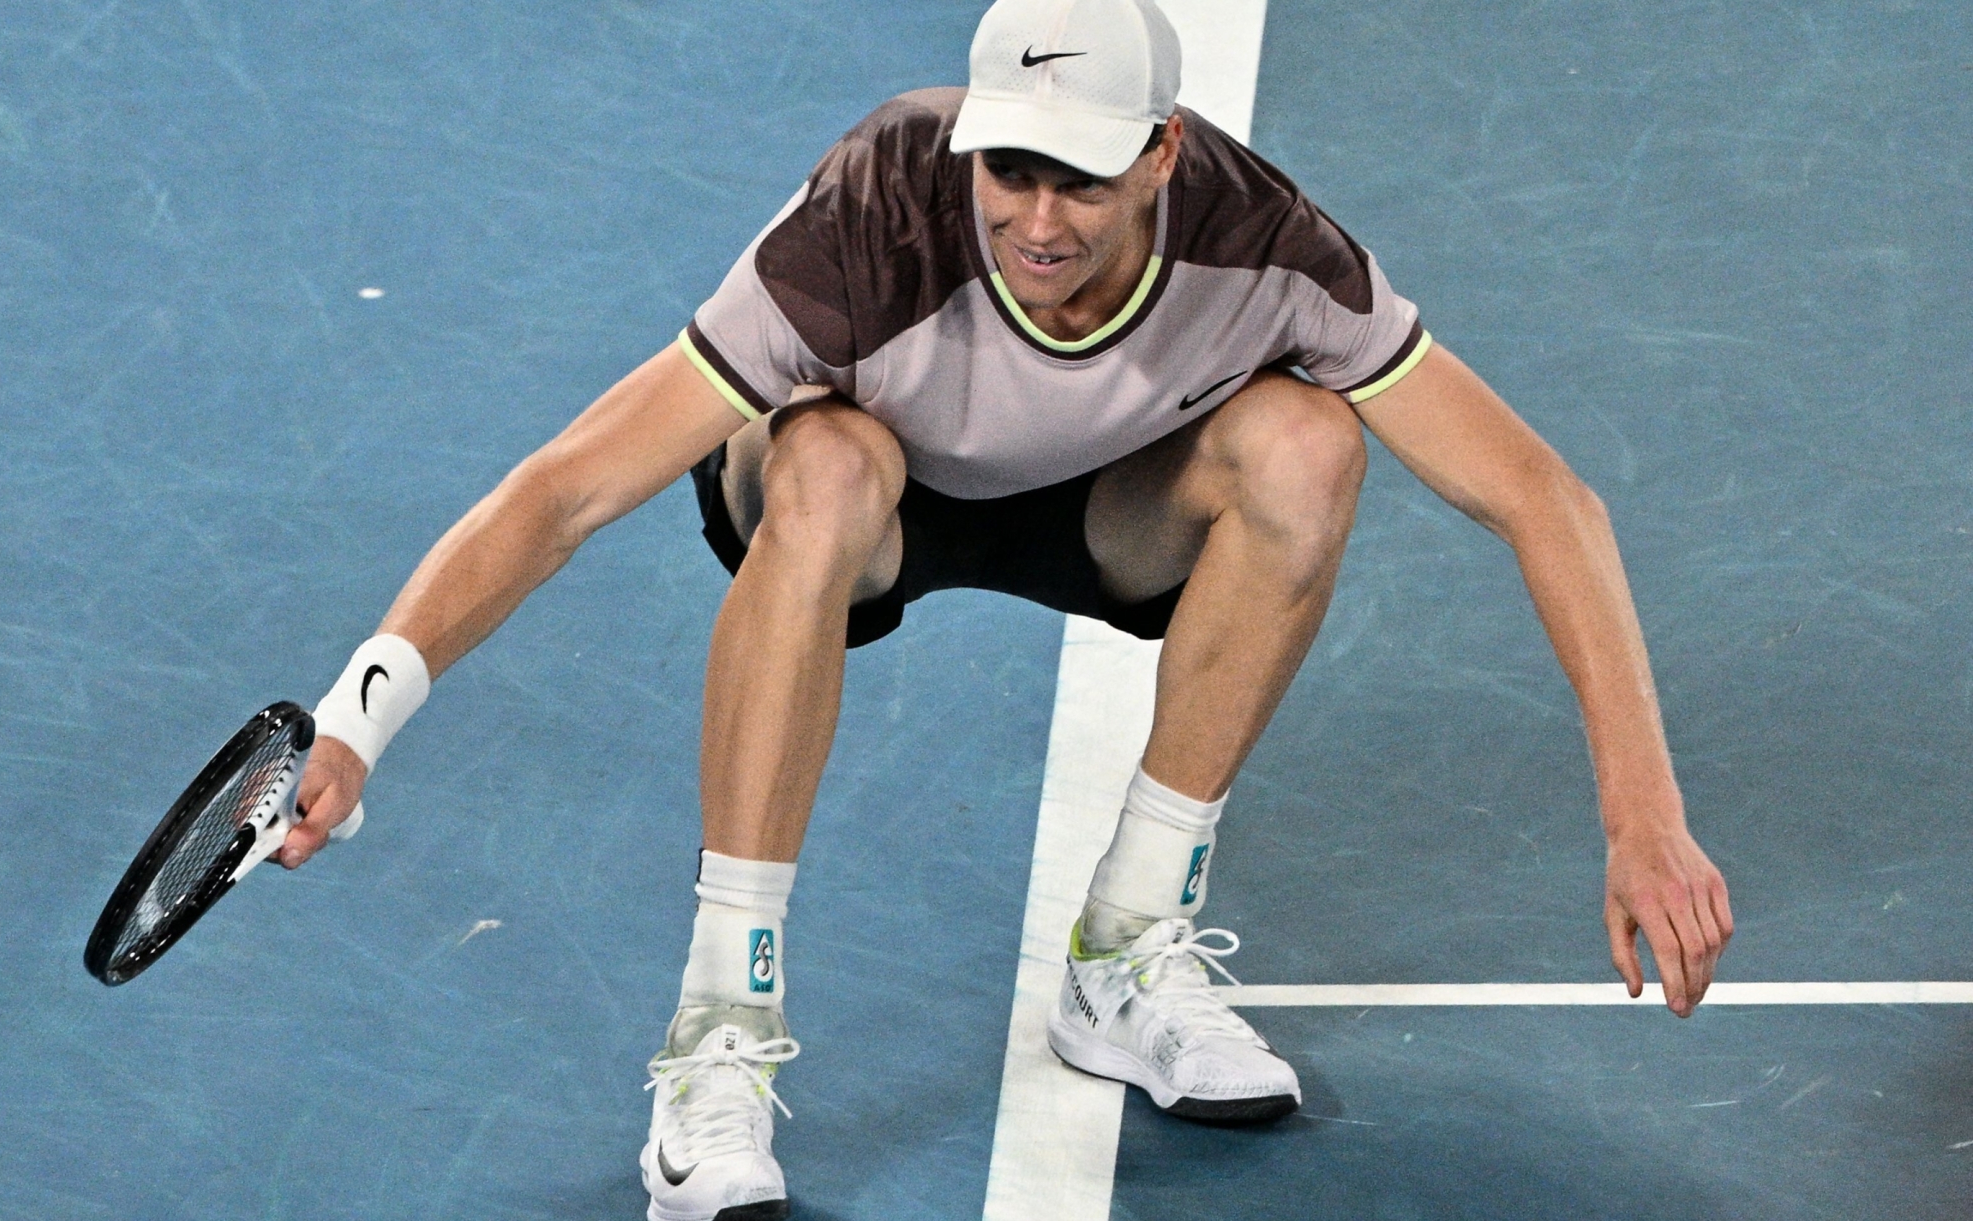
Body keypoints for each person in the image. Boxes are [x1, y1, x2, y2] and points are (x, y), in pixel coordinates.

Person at [282, 0, 1734, 1216]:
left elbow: (1543, 495)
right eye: (1010, 170)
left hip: (1109, 502)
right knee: (836, 456)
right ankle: (719, 1030)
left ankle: (1123, 956)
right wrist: (364, 715)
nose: (1037, 219)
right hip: (851, 500)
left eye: (1082, 180)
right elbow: (569, 487)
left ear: (1164, 155)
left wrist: (1642, 811)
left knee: (1308, 444)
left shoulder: (1270, 248)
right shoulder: (869, 222)